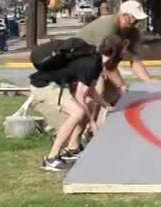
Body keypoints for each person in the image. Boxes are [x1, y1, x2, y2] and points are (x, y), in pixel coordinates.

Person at [32, 35, 126, 172]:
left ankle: (72, 148)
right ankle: (51, 159)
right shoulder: (93, 63)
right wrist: (92, 122)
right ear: (114, 54)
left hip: (57, 86)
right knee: (78, 112)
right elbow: (79, 95)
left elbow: (92, 92)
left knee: (90, 104)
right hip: (45, 86)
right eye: (121, 53)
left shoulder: (97, 61)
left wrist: (107, 106)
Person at [76, 0, 159, 107]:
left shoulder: (133, 32)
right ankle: (87, 122)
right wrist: (121, 86)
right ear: (124, 15)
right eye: (134, 19)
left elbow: (134, 59)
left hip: (100, 62)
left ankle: (98, 121)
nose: (136, 23)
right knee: (97, 94)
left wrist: (148, 81)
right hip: (80, 59)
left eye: (139, 20)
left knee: (116, 99)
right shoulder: (108, 26)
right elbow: (106, 63)